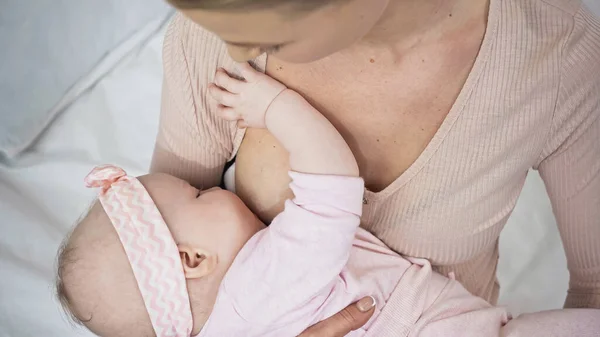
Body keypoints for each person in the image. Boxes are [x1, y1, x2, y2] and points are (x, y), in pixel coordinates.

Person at [151, 0, 600, 335]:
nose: (237, 48)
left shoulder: (557, 52)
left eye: (256, 13)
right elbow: (158, 293)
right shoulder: (208, 43)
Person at [56, 64, 520, 337]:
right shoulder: (261, 279)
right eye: (199, 194)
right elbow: (331, 187)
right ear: (192, 258)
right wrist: (274, 107)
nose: (216, 185)